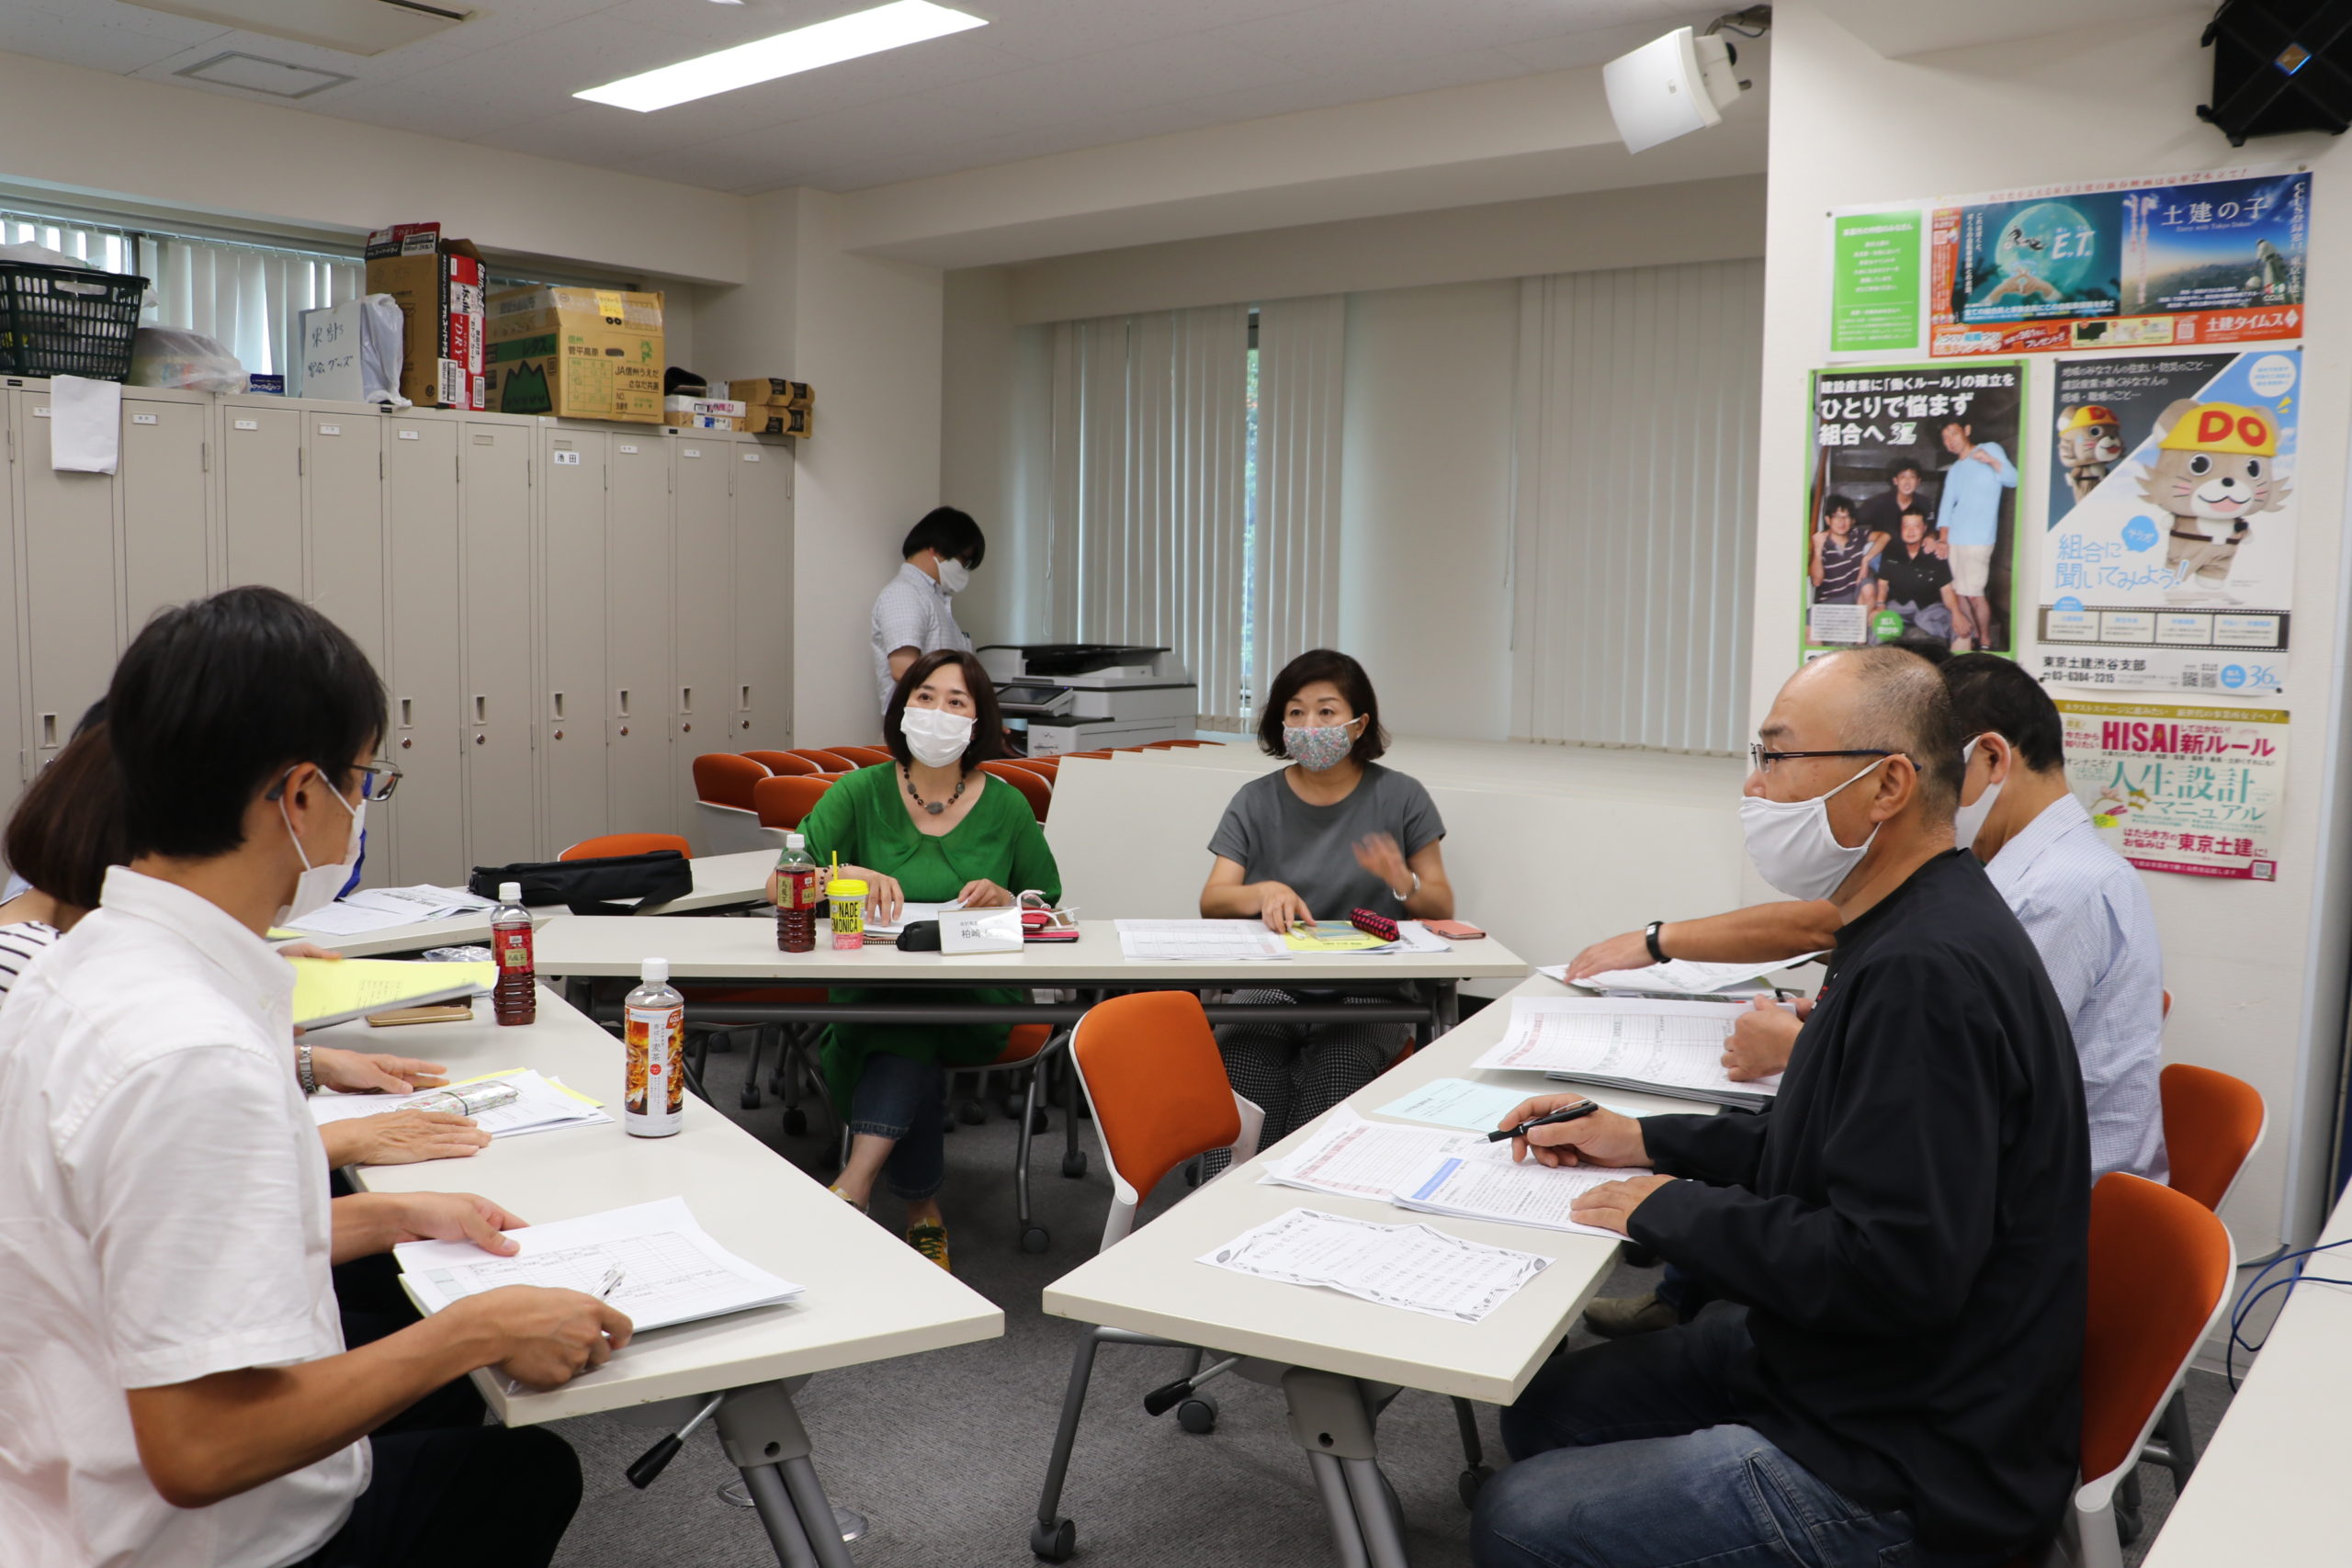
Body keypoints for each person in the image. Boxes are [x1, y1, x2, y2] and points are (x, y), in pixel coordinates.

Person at [0, 585, 629, 1568]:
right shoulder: (190, 1054)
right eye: (362, 780)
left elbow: (132, 1243)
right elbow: (202, 1449)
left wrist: (392, 1214)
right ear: (300, 796)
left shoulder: (79, 967)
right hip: (188, 1542)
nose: (359, 810)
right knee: (520, 1470)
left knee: (445, 1403)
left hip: (54, 1489)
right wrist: (472, 1331)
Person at [1472, 647, 2086, 1568]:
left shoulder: (1924, 972)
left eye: (1777, 756)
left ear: (1887, 785)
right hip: (1850, 1368)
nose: (1754, 788)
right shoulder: (1904, 920)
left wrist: (1670, 1208)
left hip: (1909, 1454)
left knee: (1516, 1517)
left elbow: (1893, 1270)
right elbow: (1823, 1148)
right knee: (1546, 1410)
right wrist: (1639, 1138)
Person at [1571, 652, 2165, 1337]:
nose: (1758, 784)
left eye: (1777, 758)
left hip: (2017, 1250)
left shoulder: (2050, 894)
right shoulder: (1980, 885)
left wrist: (1808, 1045)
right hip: (1968, 1216)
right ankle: (1693, 1305)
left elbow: (1965, 1076)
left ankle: (1693, 1309)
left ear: (1983, 759)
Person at [0, 714, 487, 1172]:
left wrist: (310, 1063)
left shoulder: (55, 947)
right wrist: (353, 1147)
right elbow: (175, 1177)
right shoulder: (40, 970)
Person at [793, 648, 1060, 1270]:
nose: (938, 711)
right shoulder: (859, 791)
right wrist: (845, 875)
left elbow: (1045, 898)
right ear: (903, 706)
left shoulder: (1007, 804)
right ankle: (920, 1210)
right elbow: (785, 877)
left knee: (907, 1024)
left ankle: (856, 1184)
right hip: (873, 991)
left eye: (956, 701)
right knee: (906, 1023)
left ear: (978, 719)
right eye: (925, 697)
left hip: (976, 1000)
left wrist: (1007, 898)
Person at [1198, 649, 1454, 1169]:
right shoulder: (1255, 799)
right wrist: (1263, 891)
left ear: (1359, 725)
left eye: (1326, 711)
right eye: (1296, 712)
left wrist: (1401, 881)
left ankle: (1305, 1191)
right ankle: (1224, 1191)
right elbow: (1214, 899)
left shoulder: (1402, 796)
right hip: (1272, 983)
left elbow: (1441, 904)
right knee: (1242, 1063)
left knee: (1337, 1074)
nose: (1310, 725)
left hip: (1372, 992)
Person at [870, 505, 986, 714]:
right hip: (920, 724)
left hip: (942, 720)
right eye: (963, 560)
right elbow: (903, 669)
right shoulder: (905, 593)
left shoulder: (933, 598)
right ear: (937, 548)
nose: (964, 569)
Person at [1933, 416, 2017, 651]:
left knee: (1975, 594)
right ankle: (1971, 638)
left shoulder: (1989, 449)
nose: (1950, 440)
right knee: (1959, 593)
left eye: (1953, 433)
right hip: (1955, 539)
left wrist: (1991, 461)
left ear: (1967, 430)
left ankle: (1986, 642)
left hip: (1979, 538)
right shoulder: (1954, 470)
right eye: (1945, 438)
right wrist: (1943, 539)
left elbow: (2013, 479)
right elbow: (1946, 506)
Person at [1872, 508, 1962, 640]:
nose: (1910, 531)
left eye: (1916, 526)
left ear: (1924, 528)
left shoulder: (1936, 553)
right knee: (1875, 629)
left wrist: (1957, 614)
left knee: (1960, 631)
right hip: (1898, 606)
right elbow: (1882, 584)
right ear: (1901, 529)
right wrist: (1880, 605)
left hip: (1930, 607)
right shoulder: (1891, 552)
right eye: (1906, 526)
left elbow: (1947, 590)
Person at [1807, 495, 1879, 608]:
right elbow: (1816, 582)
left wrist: (1866, 559)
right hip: (1830, 602)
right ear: (1828, 520)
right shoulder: (1822, 543)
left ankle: (1862, 619)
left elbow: (1885, 537)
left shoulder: (1857, 535)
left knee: (1868, 586)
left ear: (1852, 521)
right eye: (1837, 517)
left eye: (1846, 517)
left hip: (1854, 597)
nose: (1842, 522)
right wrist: (1817, 550)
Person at [1854, 457, 1924, 547]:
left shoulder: (1923, 503)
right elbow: (1854, 519)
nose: (1907, 482)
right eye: (1903, 477)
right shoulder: (1879, 502)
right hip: (1883, 551)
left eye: (1912, 477)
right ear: (1895, 481)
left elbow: (1931, 528)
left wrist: (1930, 537)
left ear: (1918, 481)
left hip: (1912, 551)